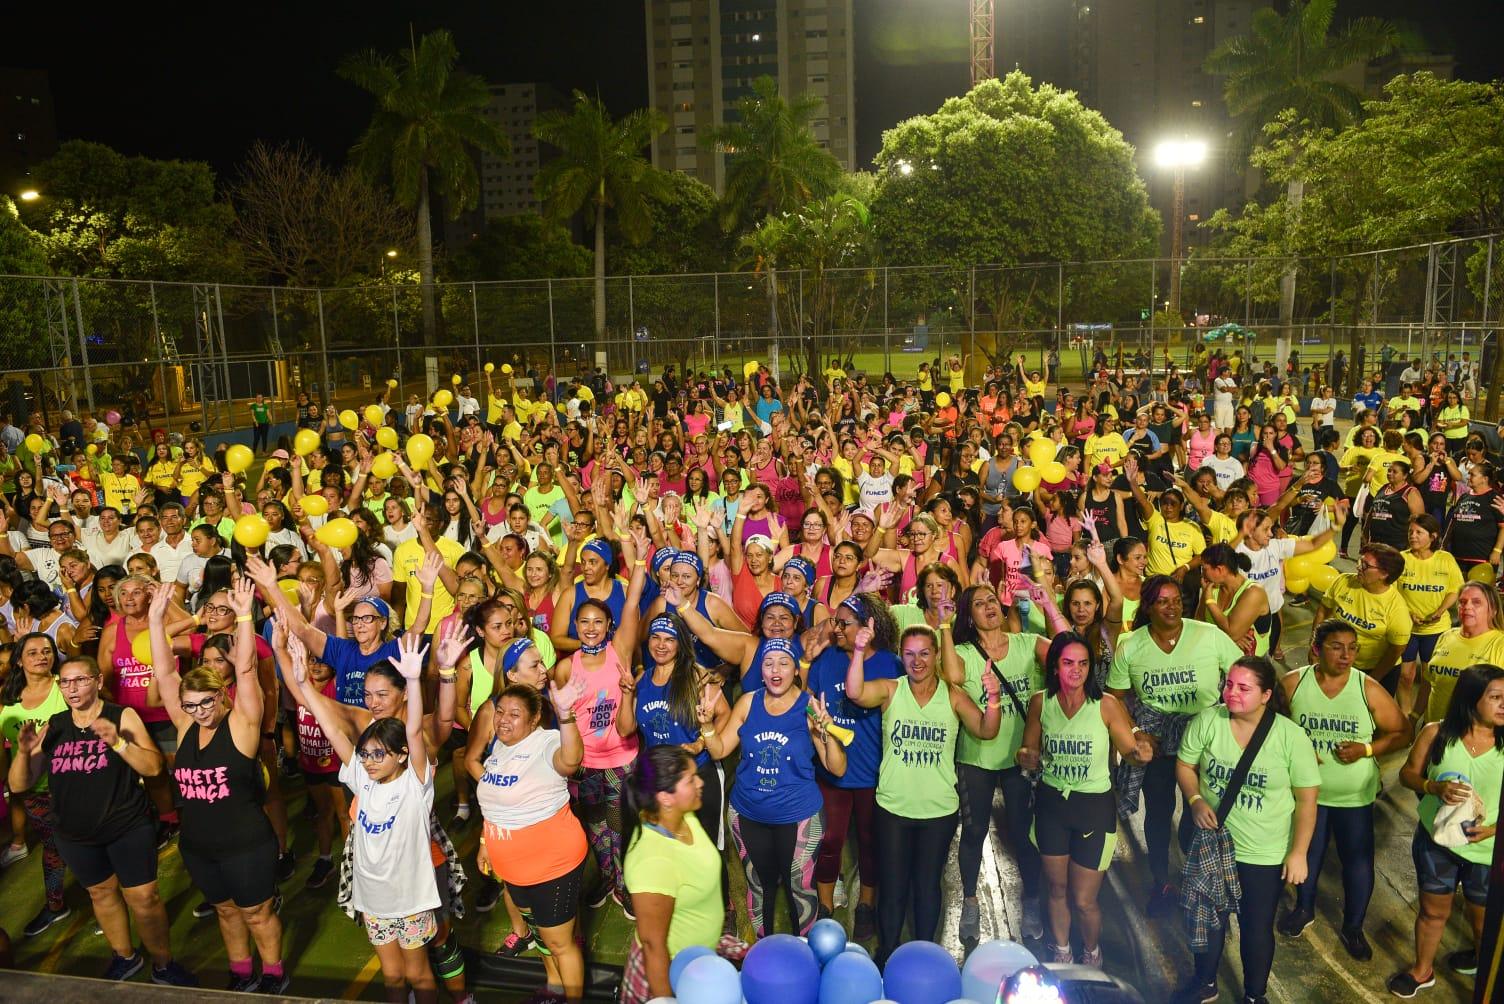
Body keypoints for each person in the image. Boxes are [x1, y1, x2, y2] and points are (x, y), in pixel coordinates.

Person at [6, 653, 196, 984]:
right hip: (75, 834)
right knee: (101, 894)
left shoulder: (121, 715)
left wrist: (119, 742)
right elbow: (19, 785)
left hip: (126, 827)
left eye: (80, 679)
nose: (72, 687)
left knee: (144, 899)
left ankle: (164, 964)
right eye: (65, 682)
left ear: (97, 681)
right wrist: (23, 754)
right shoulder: (55, 725)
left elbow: (153, 768)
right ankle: (125, 957)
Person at [146, 577, 287, 993]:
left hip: (247, 845)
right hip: (199, 846)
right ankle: (242, 971)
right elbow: (164, 672)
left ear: (222, 698)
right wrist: (156, 621)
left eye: (207, 702)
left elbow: (245, 669)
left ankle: (274, 974)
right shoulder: (187, 724)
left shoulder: (241, 725)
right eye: (191, 705)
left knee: (257, 913)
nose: (199, 710)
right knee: (226, 913)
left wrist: (244, 615)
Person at [292, 629, 442, 1004]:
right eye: (366, 754)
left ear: (402, 755)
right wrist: (304, 684)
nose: (370, 762)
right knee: (392, 977)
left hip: (410, 902)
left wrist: (411, 679)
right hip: (373, 901)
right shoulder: (363, 778)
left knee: (418, 974)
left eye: (380, 755)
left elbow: (414, 731)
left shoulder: (415, 786)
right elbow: (332, 728)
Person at [844, 623, 1001, 963]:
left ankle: (923, 956)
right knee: (893, 888)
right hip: (893, 809)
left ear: (936, 655)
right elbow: (855, 692)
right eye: (910, 654)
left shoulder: (953, 694)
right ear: (901, 656)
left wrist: (994, 700)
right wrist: (858, 651)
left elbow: (986, 731)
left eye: (925, 653)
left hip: (938, 811)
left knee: (927, 887)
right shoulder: (890, 689)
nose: (917, 661)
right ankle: (886, 956)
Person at [1175, 656, 1320, 1004]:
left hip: (1263, 852)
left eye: (1244, 687)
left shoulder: (1290, 736)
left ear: (1267, 695)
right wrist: (1194, 799)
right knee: (1209, 920)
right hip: (1214, 846)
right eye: (1229, 685)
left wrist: (1298, 853)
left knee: (1255, 927)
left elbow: (1307, 801)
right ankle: (1205, 982)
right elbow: (1184, 765)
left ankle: (1255, 994)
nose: (1232, 692)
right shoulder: (1208, 721)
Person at [1107, 575, 1243, 916]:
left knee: (1199, 808)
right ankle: (1160, 880)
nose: (1173, 607)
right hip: (1161, 742)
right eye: (1163, 601)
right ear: (1148, 606)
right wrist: (1137, 729)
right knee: (1158, 810)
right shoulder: (1132, 646)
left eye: (1177, 600)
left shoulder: (1209, 635)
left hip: (1204, 741)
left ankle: (1194, 868)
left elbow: (1244, 673)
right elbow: (1116, 697)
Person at [1278, 620, 1409, 960]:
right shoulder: (1294, 683)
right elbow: (1271, 729)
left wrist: (1365, 750)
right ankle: (1304, 910)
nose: (1347, 655)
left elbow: (1402, 732)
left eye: (1353, 648)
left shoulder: (1367, 688)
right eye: (1337, 647)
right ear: (1317, 647)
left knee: (1357, 861)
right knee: (1308, 855)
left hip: (1353, 796)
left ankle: (1353, 927)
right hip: (1309, 796)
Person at [697, 638, 845, 938]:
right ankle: (764, 956)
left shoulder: (809, 707)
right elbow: (719, 749)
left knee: (799, 890)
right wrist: (707, 726)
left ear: (795, 669)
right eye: (768, 663)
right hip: (748, 815)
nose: (775, 670)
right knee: (757, 886)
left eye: (783, 663)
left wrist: (826, 732)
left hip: (799, 817)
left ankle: (805, 956)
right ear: (761, 670)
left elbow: (837, 768)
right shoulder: (748, 702)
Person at [1018, 632, 1147, 967]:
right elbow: (1028, 747)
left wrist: (1139, 753)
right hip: (1052, 805)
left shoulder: (1105, 705)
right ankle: (1062, 950)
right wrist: (1026, 756)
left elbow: (1127, 748)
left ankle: (1091, 952)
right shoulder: (1040, 702)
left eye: (1083, 663)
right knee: (1057, 889)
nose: (1076, 670)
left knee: (1084, 899)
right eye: (1067, 662)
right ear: (1055, 666)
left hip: (1092, 808)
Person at [467, 665, 589, 1001]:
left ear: (534, 719)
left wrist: (566, 716)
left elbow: (570, 760)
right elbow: (493, 805)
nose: (503, 720)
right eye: (500, 712)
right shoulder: (499, 752)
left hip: (552, 866)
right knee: (539, 936)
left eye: (515, 714)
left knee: (559, 943)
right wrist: (484, 842)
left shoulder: (547, 741)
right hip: (514, 869)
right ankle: (554, 988)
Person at [1390, 665, 1504, 998]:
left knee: (1484, 924)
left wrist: (1493, 830)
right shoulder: (1436, 733)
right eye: (1495, 698)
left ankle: (1484, 980)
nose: (1503, 705)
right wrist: (1433, 787)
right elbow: (1407, 775)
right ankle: (1422, 971)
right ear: (1471, 699)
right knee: (1432, 911)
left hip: (1488, 851)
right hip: (1436, 843)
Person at [942, 583, 1047, 942]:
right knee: (973, 832)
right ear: (968, 617)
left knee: (1022, 832)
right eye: (977, 604)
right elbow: (953, 677)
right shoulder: (963, 652)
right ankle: (970, 900)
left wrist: (1045, 599)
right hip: (976, 757)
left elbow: (1068, 652)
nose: (987, 606)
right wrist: (943, 626)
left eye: (992, 600)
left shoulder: (1026, 644)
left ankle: (1032, 898)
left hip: (1019, 757)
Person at [804, 593, 900, 937]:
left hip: (874, 770)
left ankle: (866, 906)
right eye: (835, 622)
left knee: (870, 840)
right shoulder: (826, 659)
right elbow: (808, 702)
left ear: (866, 628)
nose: (837, 629)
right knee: (829, 839)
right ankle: (825, 906)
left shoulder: (890, 664)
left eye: (844, 623)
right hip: (832, 769)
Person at [619, 746, 746, 1004]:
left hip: (703, 954)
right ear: (665, 797)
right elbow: (654, 945)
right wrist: (666, 999)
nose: (700, 782)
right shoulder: (652, 860)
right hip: (670, 974)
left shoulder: (683, 815)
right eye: (691, 779)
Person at [0, 632, 71, 937]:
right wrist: (7, 784)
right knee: (53, 848)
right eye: (33, 652)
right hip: (35, 791)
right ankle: (56, 907)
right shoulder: (8, 699)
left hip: (74, 783)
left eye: (47, 650)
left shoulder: (65, 687)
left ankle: (109, 894)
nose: (42, 656)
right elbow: (5, 748)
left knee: (91, 841)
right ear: (19, 660)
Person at [1317, 543, 1413, 692]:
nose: (1358, 567)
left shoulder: (1396, 609)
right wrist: (1315, 645)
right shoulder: (1343, 581)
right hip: (1336, 663)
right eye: (1360, 561)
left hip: (1374, 670)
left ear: (1384, 574)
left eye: (1365, 565)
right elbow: (1324, 609)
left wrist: (1371, 681)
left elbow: (1396, 650)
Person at [1415, 581, 1504, 726]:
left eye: (1476, 602)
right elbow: (1429, 681)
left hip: (1470, 734)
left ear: (1493, 610)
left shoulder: (1500, 644)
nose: (1467, 606)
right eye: (1462, 602)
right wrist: (1414, 715)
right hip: (1432, 728)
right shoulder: (1446, 636)